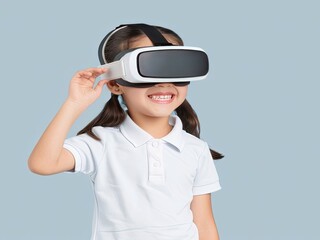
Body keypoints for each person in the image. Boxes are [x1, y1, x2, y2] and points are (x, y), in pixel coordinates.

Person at [28, 23, 223, 240]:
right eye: (149, 68)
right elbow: (42, 164)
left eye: (175, 68)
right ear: (115, 83)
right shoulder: (101, 142)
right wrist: (74, 103)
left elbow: (204, 224)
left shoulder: (196, 149)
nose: (164, 83)